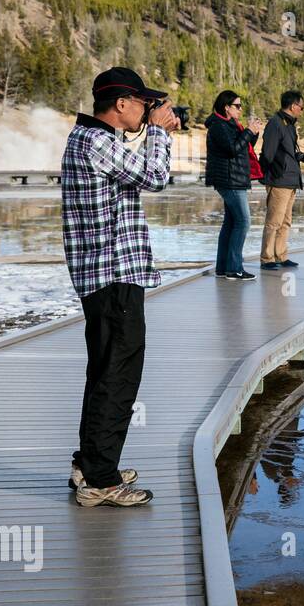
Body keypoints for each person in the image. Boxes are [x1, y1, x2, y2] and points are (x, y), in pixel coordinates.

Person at [63, 67, 180, 507]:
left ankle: (90, 461)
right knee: (118, 376)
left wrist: (149, 132)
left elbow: (135, 173)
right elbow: (155, 178)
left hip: (103, 275)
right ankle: (100, 479)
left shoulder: (89, 139)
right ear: (122, 104)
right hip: (113, 275)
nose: (148, 110)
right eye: (144, 104)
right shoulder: (97, 143)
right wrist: (160, 135)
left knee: (103, 372)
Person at [205, 89, 264, 280]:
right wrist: (247, 131)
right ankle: (234, 268)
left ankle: (223, 268)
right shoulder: (218, 126)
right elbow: (232, 149)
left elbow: (243, 148)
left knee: (231, 222)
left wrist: (253, 133)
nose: (240, 109)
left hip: (235, 178)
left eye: (240, 106)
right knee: (243, 221)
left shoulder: (229, 124)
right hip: (229, 180)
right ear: (226, 107)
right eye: (237, 106)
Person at [258, 90, 304, 271]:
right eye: (301, 107)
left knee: (286, 221)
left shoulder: (289, 125)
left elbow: (286, 152)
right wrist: (271, 175)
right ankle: (267, 258)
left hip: (291, 180)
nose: (302, 111)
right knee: (274, 221)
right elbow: (267, 153)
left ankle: (280, 255)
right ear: (293, 106)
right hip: (279, 180)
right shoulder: (275, 124)